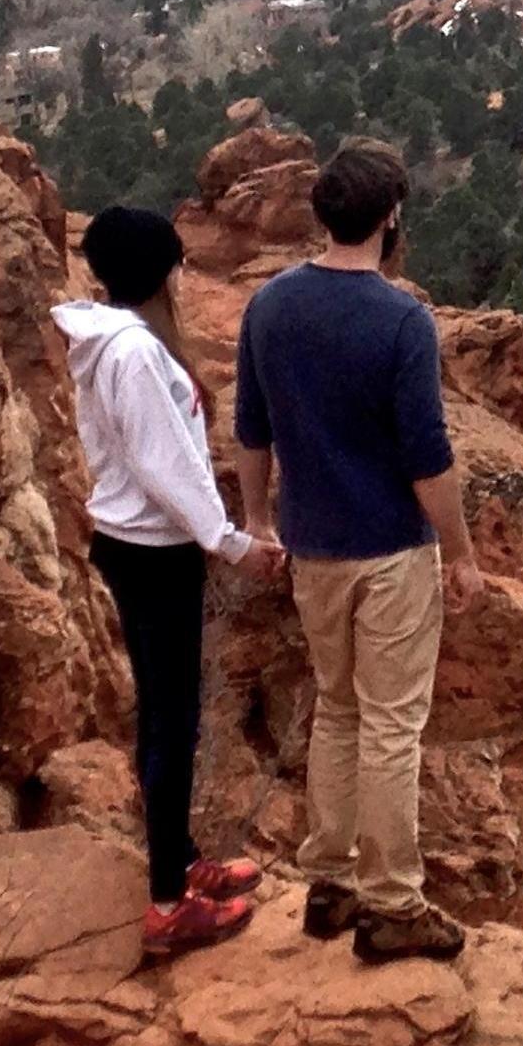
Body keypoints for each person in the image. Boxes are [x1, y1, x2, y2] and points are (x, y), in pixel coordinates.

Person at [232, 139, 486, 963]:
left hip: (312, 547)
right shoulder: (401, 320)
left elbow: (251, 432)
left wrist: (257, 522)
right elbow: (427, 456)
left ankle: (331, 883)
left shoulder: (269, 307)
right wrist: (463, 552)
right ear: (390, 219)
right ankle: (391, 904)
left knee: (338, 709)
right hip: (389, 552)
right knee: (390, 724)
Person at [55, 203, 282, 959]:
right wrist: (231, 541)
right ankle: (165, 905)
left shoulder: (110, 343)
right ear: (166, 271)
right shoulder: (136, 355)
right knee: (172, 721)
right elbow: (167, 465)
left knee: (163, 712)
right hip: (154, 550)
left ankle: (179, 861)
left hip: (131, 544)